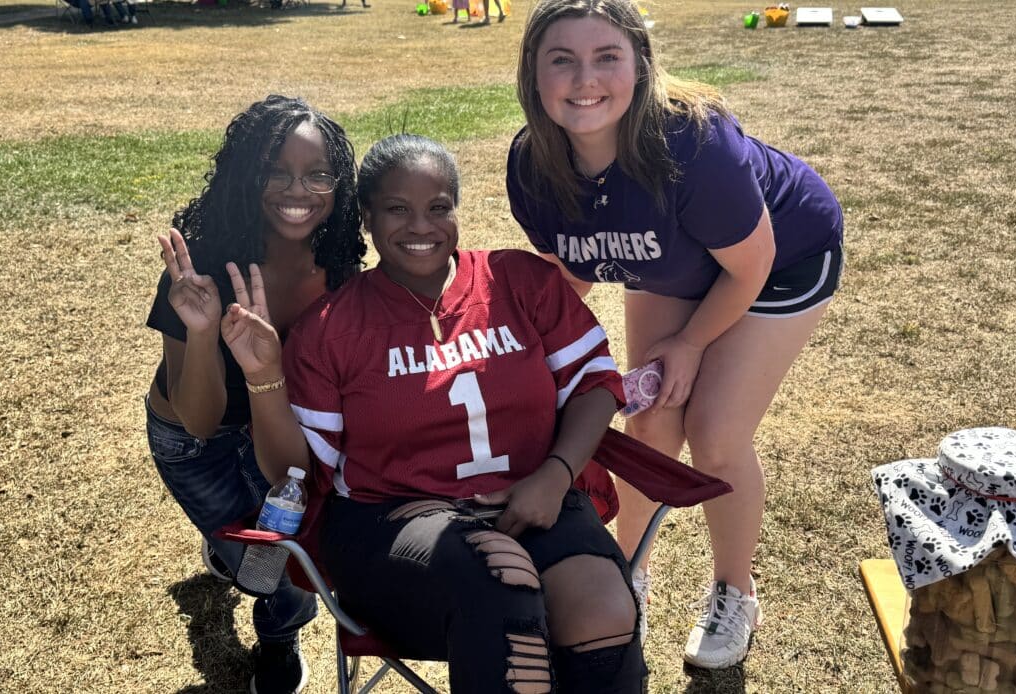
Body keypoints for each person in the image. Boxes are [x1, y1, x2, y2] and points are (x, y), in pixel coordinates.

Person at [220, 134, 647, 693]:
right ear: (367, 217)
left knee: (604, 608)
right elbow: (291, 472)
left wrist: (556, 474)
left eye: (438, 207)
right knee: (500, 579)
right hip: (391, 525)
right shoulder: (332, 328)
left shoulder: (520, 282)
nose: (421, 226)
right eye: (397, 209)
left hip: (536, 497)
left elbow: (594, 383)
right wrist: (262, 375)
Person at [507, 0, 845, 671]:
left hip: (778, 260)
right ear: (532, 74)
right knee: (650, 428)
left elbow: (749, 266)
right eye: (562, 60)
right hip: (674, 260)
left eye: (606, 57)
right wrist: (524, 355)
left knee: (715, 433)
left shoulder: (691, 142)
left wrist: (690, 344)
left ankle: (735, 591)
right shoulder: (532, 163)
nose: (585, 79)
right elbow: (571, 275)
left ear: (640, 65)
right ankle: (626, 568)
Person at [145, 95, 366, 694]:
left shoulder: (339, 262)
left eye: (318, 174)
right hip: (196, 439)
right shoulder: (205, 262)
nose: (298, 191)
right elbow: (198, 420)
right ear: (248, 174)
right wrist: (202, 331)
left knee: (289, 564)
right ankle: (231, 555)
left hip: (278, 425)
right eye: (276, 171)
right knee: (260, 564)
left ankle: (277, 635)